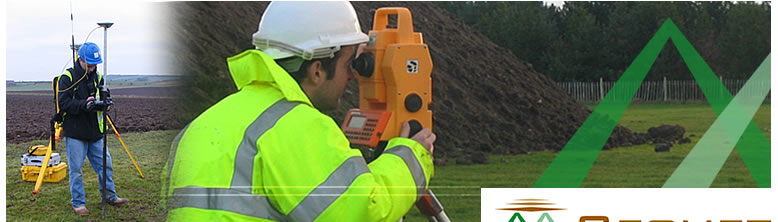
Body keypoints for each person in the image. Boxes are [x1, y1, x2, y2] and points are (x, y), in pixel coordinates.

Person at [164, 2, 436, 221]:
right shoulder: (296, 126)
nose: (352, 76)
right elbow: (363, 211)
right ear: (317, 70)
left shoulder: (205, 123)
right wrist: (409, 157)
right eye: (348, 64)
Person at [57, 42, 128, 216]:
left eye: (95, 64)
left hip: (96, 132)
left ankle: (110, 196)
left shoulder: (98, 77)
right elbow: (63, 103)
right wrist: (84, 104)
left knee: (106, 166)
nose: (92, 67)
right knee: (77, 171)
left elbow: (105, 95)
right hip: (76, 132)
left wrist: (106, 103)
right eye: (89, 64)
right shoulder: (67, 77)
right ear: (80, 59)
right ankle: (79, 204)